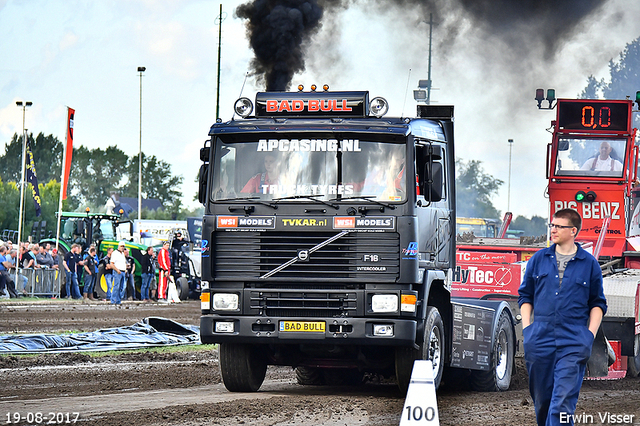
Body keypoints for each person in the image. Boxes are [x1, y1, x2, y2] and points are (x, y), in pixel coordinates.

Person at [518, 208, 607, 426]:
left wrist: (589, 335)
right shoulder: (539, 259)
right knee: (543, 402)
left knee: (562, 404)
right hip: (539, 340)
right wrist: (528, 331)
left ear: (573, 231)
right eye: (552, 225)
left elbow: (597, 303)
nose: (553, 230)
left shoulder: (589, 264)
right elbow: (525, 296)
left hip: (573, 341)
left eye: (559, 226)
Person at [109, 241, 127, 305]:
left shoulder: (122, 254)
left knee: (121, 287)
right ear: (119, 246)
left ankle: (118, 300)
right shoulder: (115, 253)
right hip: (118, 272)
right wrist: (117, 270)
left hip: (122, 271)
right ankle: (113, 300)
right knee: (116, 286)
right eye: (121, 246)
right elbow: (111, 263)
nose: (122, 248)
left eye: (123, 246)